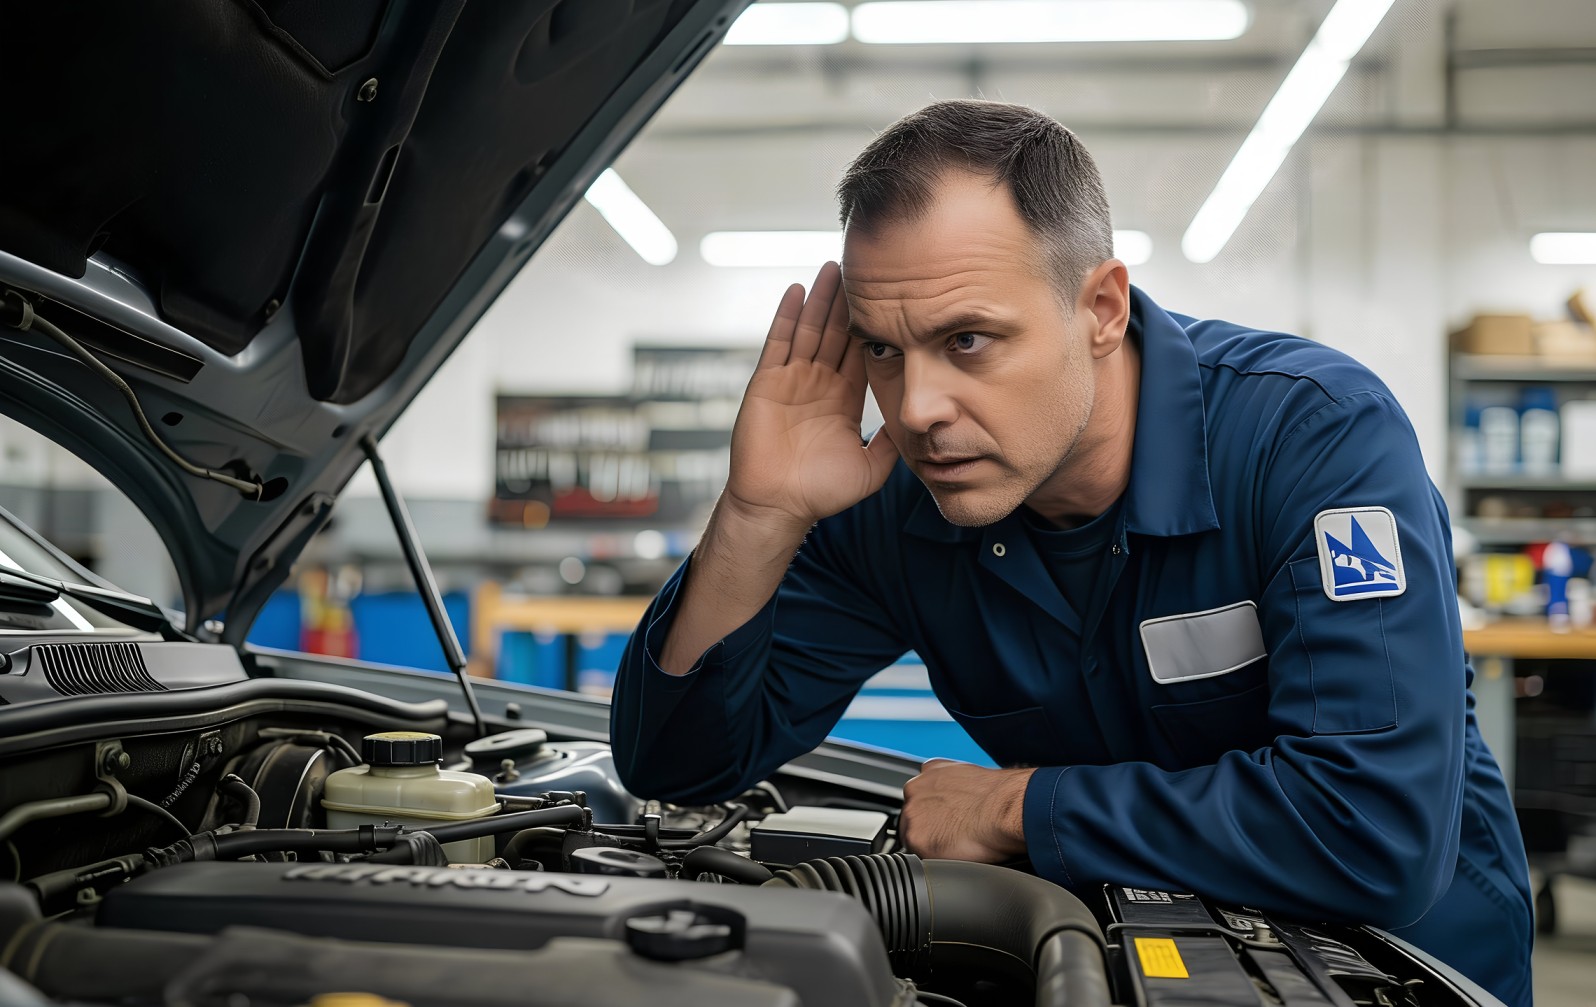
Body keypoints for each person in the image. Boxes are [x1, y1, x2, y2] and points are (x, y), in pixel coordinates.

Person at [609, 100, 1532, 1005]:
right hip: (1126, 955)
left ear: (1100, 306)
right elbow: (675, 768)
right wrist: (758, 515)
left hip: (1397, 968)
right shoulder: (899, 499)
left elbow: (1370, 830)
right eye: (883, 351)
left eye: (967, 339)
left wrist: (1017, 806)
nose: (918, 406)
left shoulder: (1313, 440)